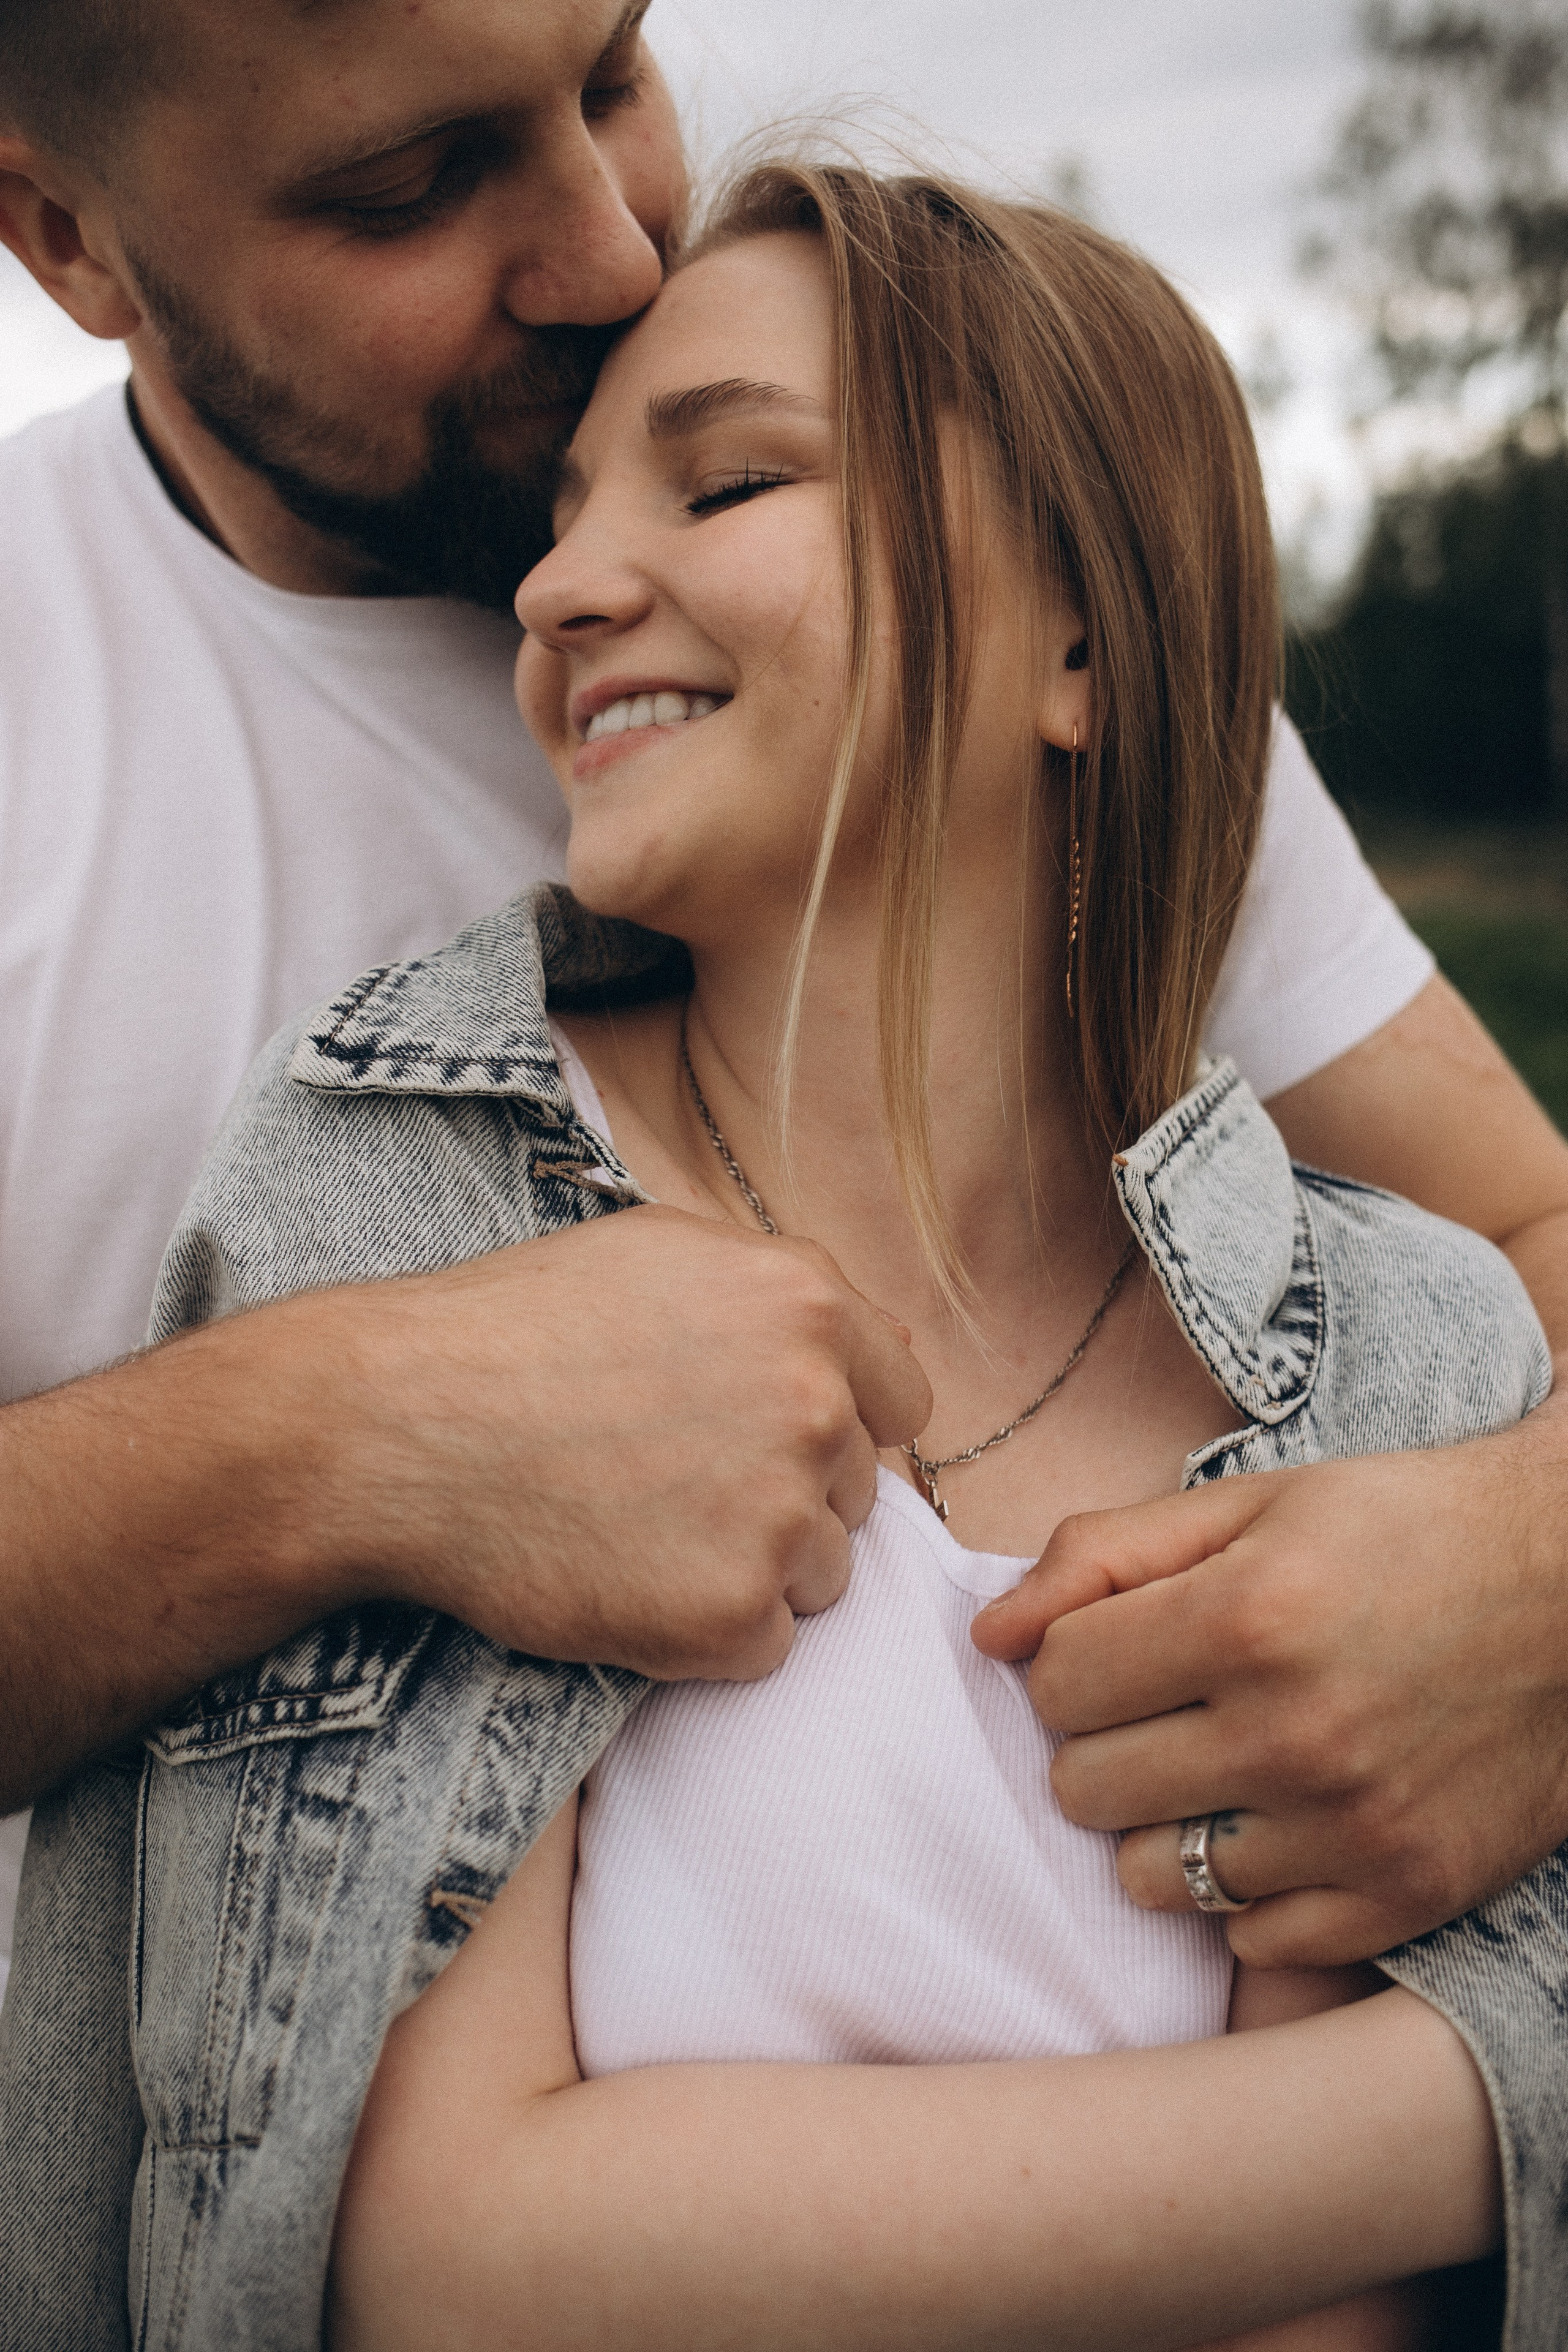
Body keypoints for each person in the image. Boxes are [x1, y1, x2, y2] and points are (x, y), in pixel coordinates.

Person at [0, 0, 1563, 2059]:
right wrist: (344, 1428)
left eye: (614, 75)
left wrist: (1535, 1589)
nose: (615, 248)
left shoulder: (987, 636)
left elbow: (1518, 1247)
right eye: (409, 185)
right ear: (71, 243)